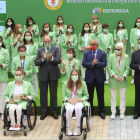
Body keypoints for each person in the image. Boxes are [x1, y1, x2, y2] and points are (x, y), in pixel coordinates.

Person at [35, 36, 61, 120]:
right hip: (43, 75)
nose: (47, 42)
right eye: (45, 41)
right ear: (43, 41)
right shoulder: (40, 50)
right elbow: (36, 62)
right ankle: (43, 112)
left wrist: (52, 58)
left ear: (51, 41)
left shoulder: (56, 49)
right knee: (43, 94)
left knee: (53, 94)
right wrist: (43, 59)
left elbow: (59, 60)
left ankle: (54, 112)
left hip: (53, 75)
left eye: (48, 41)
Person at [4, 66, 36, 131]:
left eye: (19, 75)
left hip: (23, 102)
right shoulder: (10, 84)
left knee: (19, 108)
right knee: (11, 108)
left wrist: (25, 97)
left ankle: (18, 124)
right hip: (14, 102)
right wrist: (9, 101)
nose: (18, 76)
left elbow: (33, 95)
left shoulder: (28, 84)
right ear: (14, 75)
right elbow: (5, 95)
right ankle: (12, 124)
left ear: (22, 75)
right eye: (16, 75)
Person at [82, 38, 107, 119]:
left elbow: (104, 64)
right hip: (89, 78)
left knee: (100, 96)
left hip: (99, 78)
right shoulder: (86, 53)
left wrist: (98, 63)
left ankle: (101, 111)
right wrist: (91, 64)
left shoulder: (102, 53)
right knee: (89, 96)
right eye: (90, 44)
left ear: (97, 45)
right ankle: (90, 111)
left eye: (93, 44)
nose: (91, 46)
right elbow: (84, 63)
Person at [62, 69, 89, 135]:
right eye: (73, 75)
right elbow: (64, 95)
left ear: (78, 75)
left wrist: (81, 99)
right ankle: (67, 127)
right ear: (70, 76)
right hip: (70, 102)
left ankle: (78, 127)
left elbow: (86, 95)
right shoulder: (66, 83)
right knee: (69, 109)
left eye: (76, 75)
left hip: (79, 102)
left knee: (77, 108)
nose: (74, 76)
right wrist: (68, 100)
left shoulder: (83, 83)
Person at [108, 42, 129, 120]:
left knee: (122, 97)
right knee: (113, 97)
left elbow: (127, 68)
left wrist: (124, 76)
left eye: (118, 49)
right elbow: (109, 68)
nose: (117, 50)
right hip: (113, 79)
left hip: (122, 80)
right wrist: (114, 75)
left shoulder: (126, 57)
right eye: (116, 49)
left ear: (122, 50)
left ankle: (122, 112)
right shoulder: (111, 56)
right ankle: (113, 112)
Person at [23, 31, 38, 97]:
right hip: (24, 66)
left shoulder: (35, 44)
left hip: (33, 65)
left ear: (31, 36)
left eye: (29, 35)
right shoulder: (22, 45)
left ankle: (34, 95)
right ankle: (26, 95)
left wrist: (30, 57)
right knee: (25, 82)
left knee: (34, 81)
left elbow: (37, 55)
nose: (27, 36)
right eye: (26, 35)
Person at [0, 37, 9, 120]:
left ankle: (3, 112)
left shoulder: (5, 51)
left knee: (3, 94)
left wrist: (1, 65)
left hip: (2, 76)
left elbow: (7, 64)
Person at [130, 41, 140, 119]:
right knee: (138, 95)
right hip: (138, 78)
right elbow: (132, 65)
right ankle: (137, 111)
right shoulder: (134, 54)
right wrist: (139, 67)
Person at [130, 17, 140, 84]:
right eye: (137, 21)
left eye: (139, 21)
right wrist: (134, 49)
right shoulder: (133, 30)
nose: (138, 23)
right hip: (134, 49)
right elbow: (131, 39)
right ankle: (133, 79)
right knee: (134, 64)